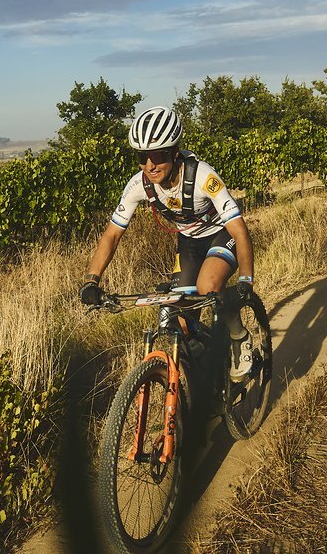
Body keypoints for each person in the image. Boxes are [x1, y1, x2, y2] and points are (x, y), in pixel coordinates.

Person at [79, 106, 258, 380]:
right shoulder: (139, 184)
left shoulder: (202, 177)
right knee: (183, 320)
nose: (150, 165)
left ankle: (238, 335)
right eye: (142, 157)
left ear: (175, 152)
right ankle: (209, 378)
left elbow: (240, 230)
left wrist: (246, 280)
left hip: (222, 234)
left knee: (207, 287)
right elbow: (112, 234)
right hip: (188, 242)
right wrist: (92, 280)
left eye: (159, 156)